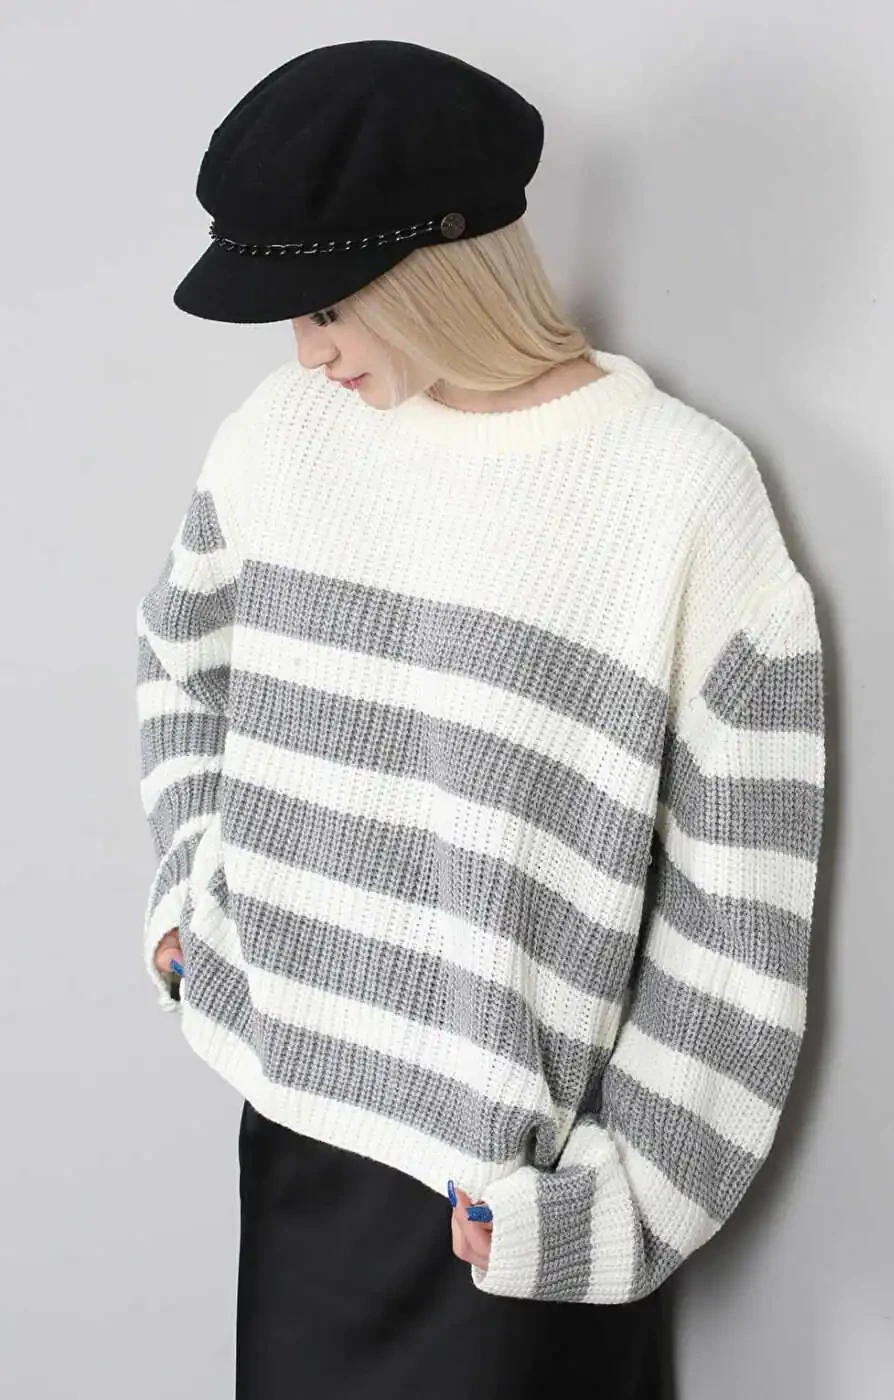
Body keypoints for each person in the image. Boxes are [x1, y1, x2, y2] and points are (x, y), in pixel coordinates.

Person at [135, 39, 826, 1400]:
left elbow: (738, 927)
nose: (308, 352)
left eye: (327, 306)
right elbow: (180, 660)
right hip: (295, 1146)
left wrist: (613, 1208)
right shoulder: (278, 439)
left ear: (437, 269)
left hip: (508, 1209)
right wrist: (190, 901)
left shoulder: (677, 497)